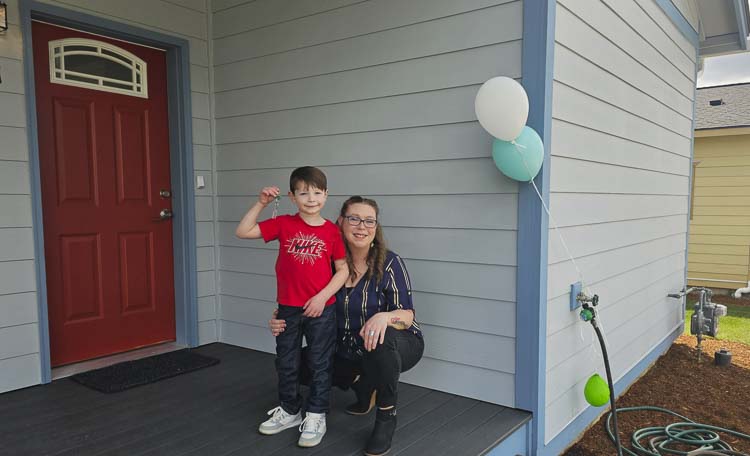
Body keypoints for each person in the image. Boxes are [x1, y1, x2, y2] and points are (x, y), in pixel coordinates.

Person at [270, 196, 424, 456]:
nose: (361, 226)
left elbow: (407, 315)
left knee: (381, 336)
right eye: (354, 219)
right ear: (340, 222)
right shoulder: (329, 264)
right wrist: (279, 317)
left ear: (376, 228)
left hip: (397, 344)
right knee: (295, 363)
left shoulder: (389, 262)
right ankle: (362, 383)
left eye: (369, 221)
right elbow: (302, 300)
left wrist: (384, 317)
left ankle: (386, 416)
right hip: (347, 348)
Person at [235, 166, 348, 448]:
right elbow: (243, 231)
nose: (311, 198)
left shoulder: (332, 231)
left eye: (318, 192)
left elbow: (342, 270)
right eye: (304, 192)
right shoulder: (284, 224)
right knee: (287, 362)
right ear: (292, 196)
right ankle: (289, 409)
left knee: (320, 363)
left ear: (326, 195)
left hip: (322, 309)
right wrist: (261, 202)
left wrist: (322, 297)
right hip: (288, 308)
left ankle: (316, 414)